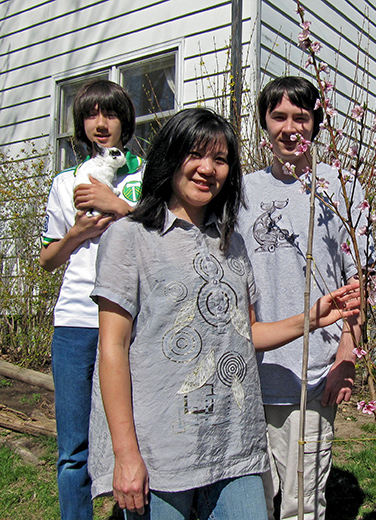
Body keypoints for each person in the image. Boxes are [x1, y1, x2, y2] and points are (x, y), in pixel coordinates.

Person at [86, 107, 361, 520]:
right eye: (195, 155)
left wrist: (314, 316)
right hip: (162, 450)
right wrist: (125, 454)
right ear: (170, 157)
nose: (207, 169)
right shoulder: (130, 238)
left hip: (235, 445)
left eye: (220, 159)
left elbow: (246, 333)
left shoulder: (230, 242)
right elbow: (112, 348)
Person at [237, 76, 369, 520]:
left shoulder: (341, 188)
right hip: (252, 376)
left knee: (301, 505)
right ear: (264, 124)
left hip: (312, 378)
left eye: (302, 116)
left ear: (316, 123)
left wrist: (346, 356)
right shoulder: (242, 193)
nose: (290, 127)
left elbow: (356, 283)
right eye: (279, 116)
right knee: (255, 503)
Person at [40, 79, 143, 520]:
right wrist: (77, 233)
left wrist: (115, 204)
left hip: (136, 320)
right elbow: (47, 259)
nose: (101, 124)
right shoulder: (66, 181)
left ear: (125, 121)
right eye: (90, 115)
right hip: (77, 321)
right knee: (72, 451)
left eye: (111, 114)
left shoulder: (147, 172)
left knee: (141, 439)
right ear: (81, 124)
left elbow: (166, 229)